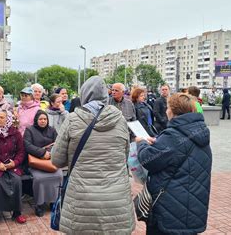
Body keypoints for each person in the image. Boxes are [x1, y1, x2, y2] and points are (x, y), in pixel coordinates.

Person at [51, 76, 135, 234]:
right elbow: (125, 156)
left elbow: (57, 160)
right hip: (116, 201)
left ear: (84, 94)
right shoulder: (121, 120)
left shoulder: (72, 120)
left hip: (81, 201)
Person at [137, 93, 212, 234]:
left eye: (168, 107)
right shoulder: (200, 132)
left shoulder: (173, 135)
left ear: (172, 110)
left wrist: (141, 143)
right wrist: (158, 142)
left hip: (169, 211)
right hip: (193, 208)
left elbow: (148, 160)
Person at [24, 110, 62, 217]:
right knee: (39, 178)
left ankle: (54, 202)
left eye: (45, 119)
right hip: (36, 162)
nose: (43, 121)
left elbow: (59, 143)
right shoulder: (29, 130)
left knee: (58, 176)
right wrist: (42, 152)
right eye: (40, 119)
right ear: (36, 120)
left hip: (50, 161)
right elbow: (27, 145)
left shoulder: (52, 130)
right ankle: (39, 204)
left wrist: (49, 153)